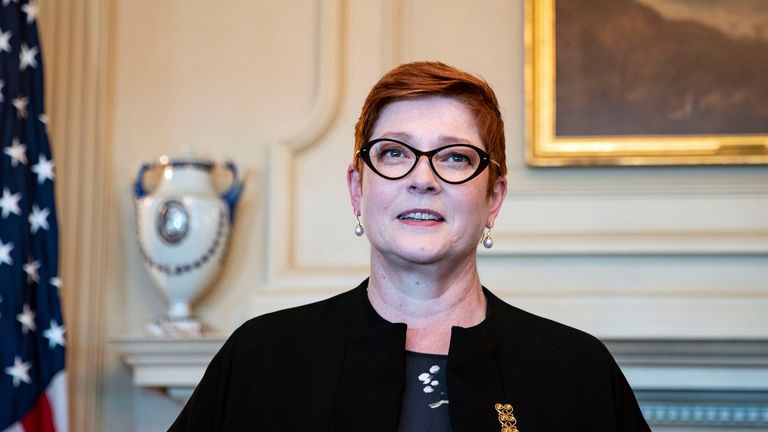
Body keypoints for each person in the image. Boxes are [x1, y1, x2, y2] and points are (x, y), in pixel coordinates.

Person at [169, 61, 651, 431]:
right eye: (394, 153)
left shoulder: (578, 371)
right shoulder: (261, 359)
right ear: (358, 190)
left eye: (456, 157)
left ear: (494, 198)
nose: (422, 179)